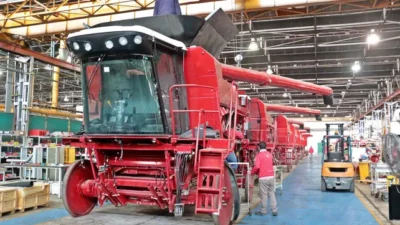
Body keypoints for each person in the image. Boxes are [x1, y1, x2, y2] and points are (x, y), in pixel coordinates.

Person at [251, 141, 278, 216]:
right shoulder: (270, 154)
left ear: (259, 147)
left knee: (264, 195)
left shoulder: (258, 155)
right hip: (271, 176)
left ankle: (263, 211)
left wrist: (252, 172)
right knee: (272, 193)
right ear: (265, 147)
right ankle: (274, 210)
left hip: (263, 177)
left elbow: (257, 166)